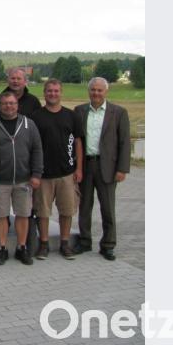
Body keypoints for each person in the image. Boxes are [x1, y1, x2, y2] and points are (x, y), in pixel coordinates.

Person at [0, 92, 43, 266]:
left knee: (23, 215)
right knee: (1, 216)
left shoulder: (28, 125)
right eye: (5, 103)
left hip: (24, 180)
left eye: (12, 103)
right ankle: (2, 248)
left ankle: (22, 248)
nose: (9, 106)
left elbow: (37, 150)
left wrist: (37, 174)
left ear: (17, 105)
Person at [74, 77, 130, 261]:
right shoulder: (80, 111)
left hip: (108, 167)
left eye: (99, 90)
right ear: (88, 91)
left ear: (106, 92)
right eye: (93, 90)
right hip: (86, 165)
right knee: (84, 206)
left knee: (108, 208)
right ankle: (84, 241)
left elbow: (124, 142)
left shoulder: (118, 112)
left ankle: (108, 245)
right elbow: (76, 141)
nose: (96, 93)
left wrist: (122, 169)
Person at [30, 79, 84, 260]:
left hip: (66, 173)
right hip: (43, 174)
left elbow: (78, 142)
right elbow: (31, 145)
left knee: (67, 210)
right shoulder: (36, 117)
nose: (53, 94)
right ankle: (44, 244)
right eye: (49, 91)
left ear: (61, 93)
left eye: (56, 91)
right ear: (44, 93)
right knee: (42, 211)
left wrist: (79, 169)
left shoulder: (71, 116)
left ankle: (64, 243)